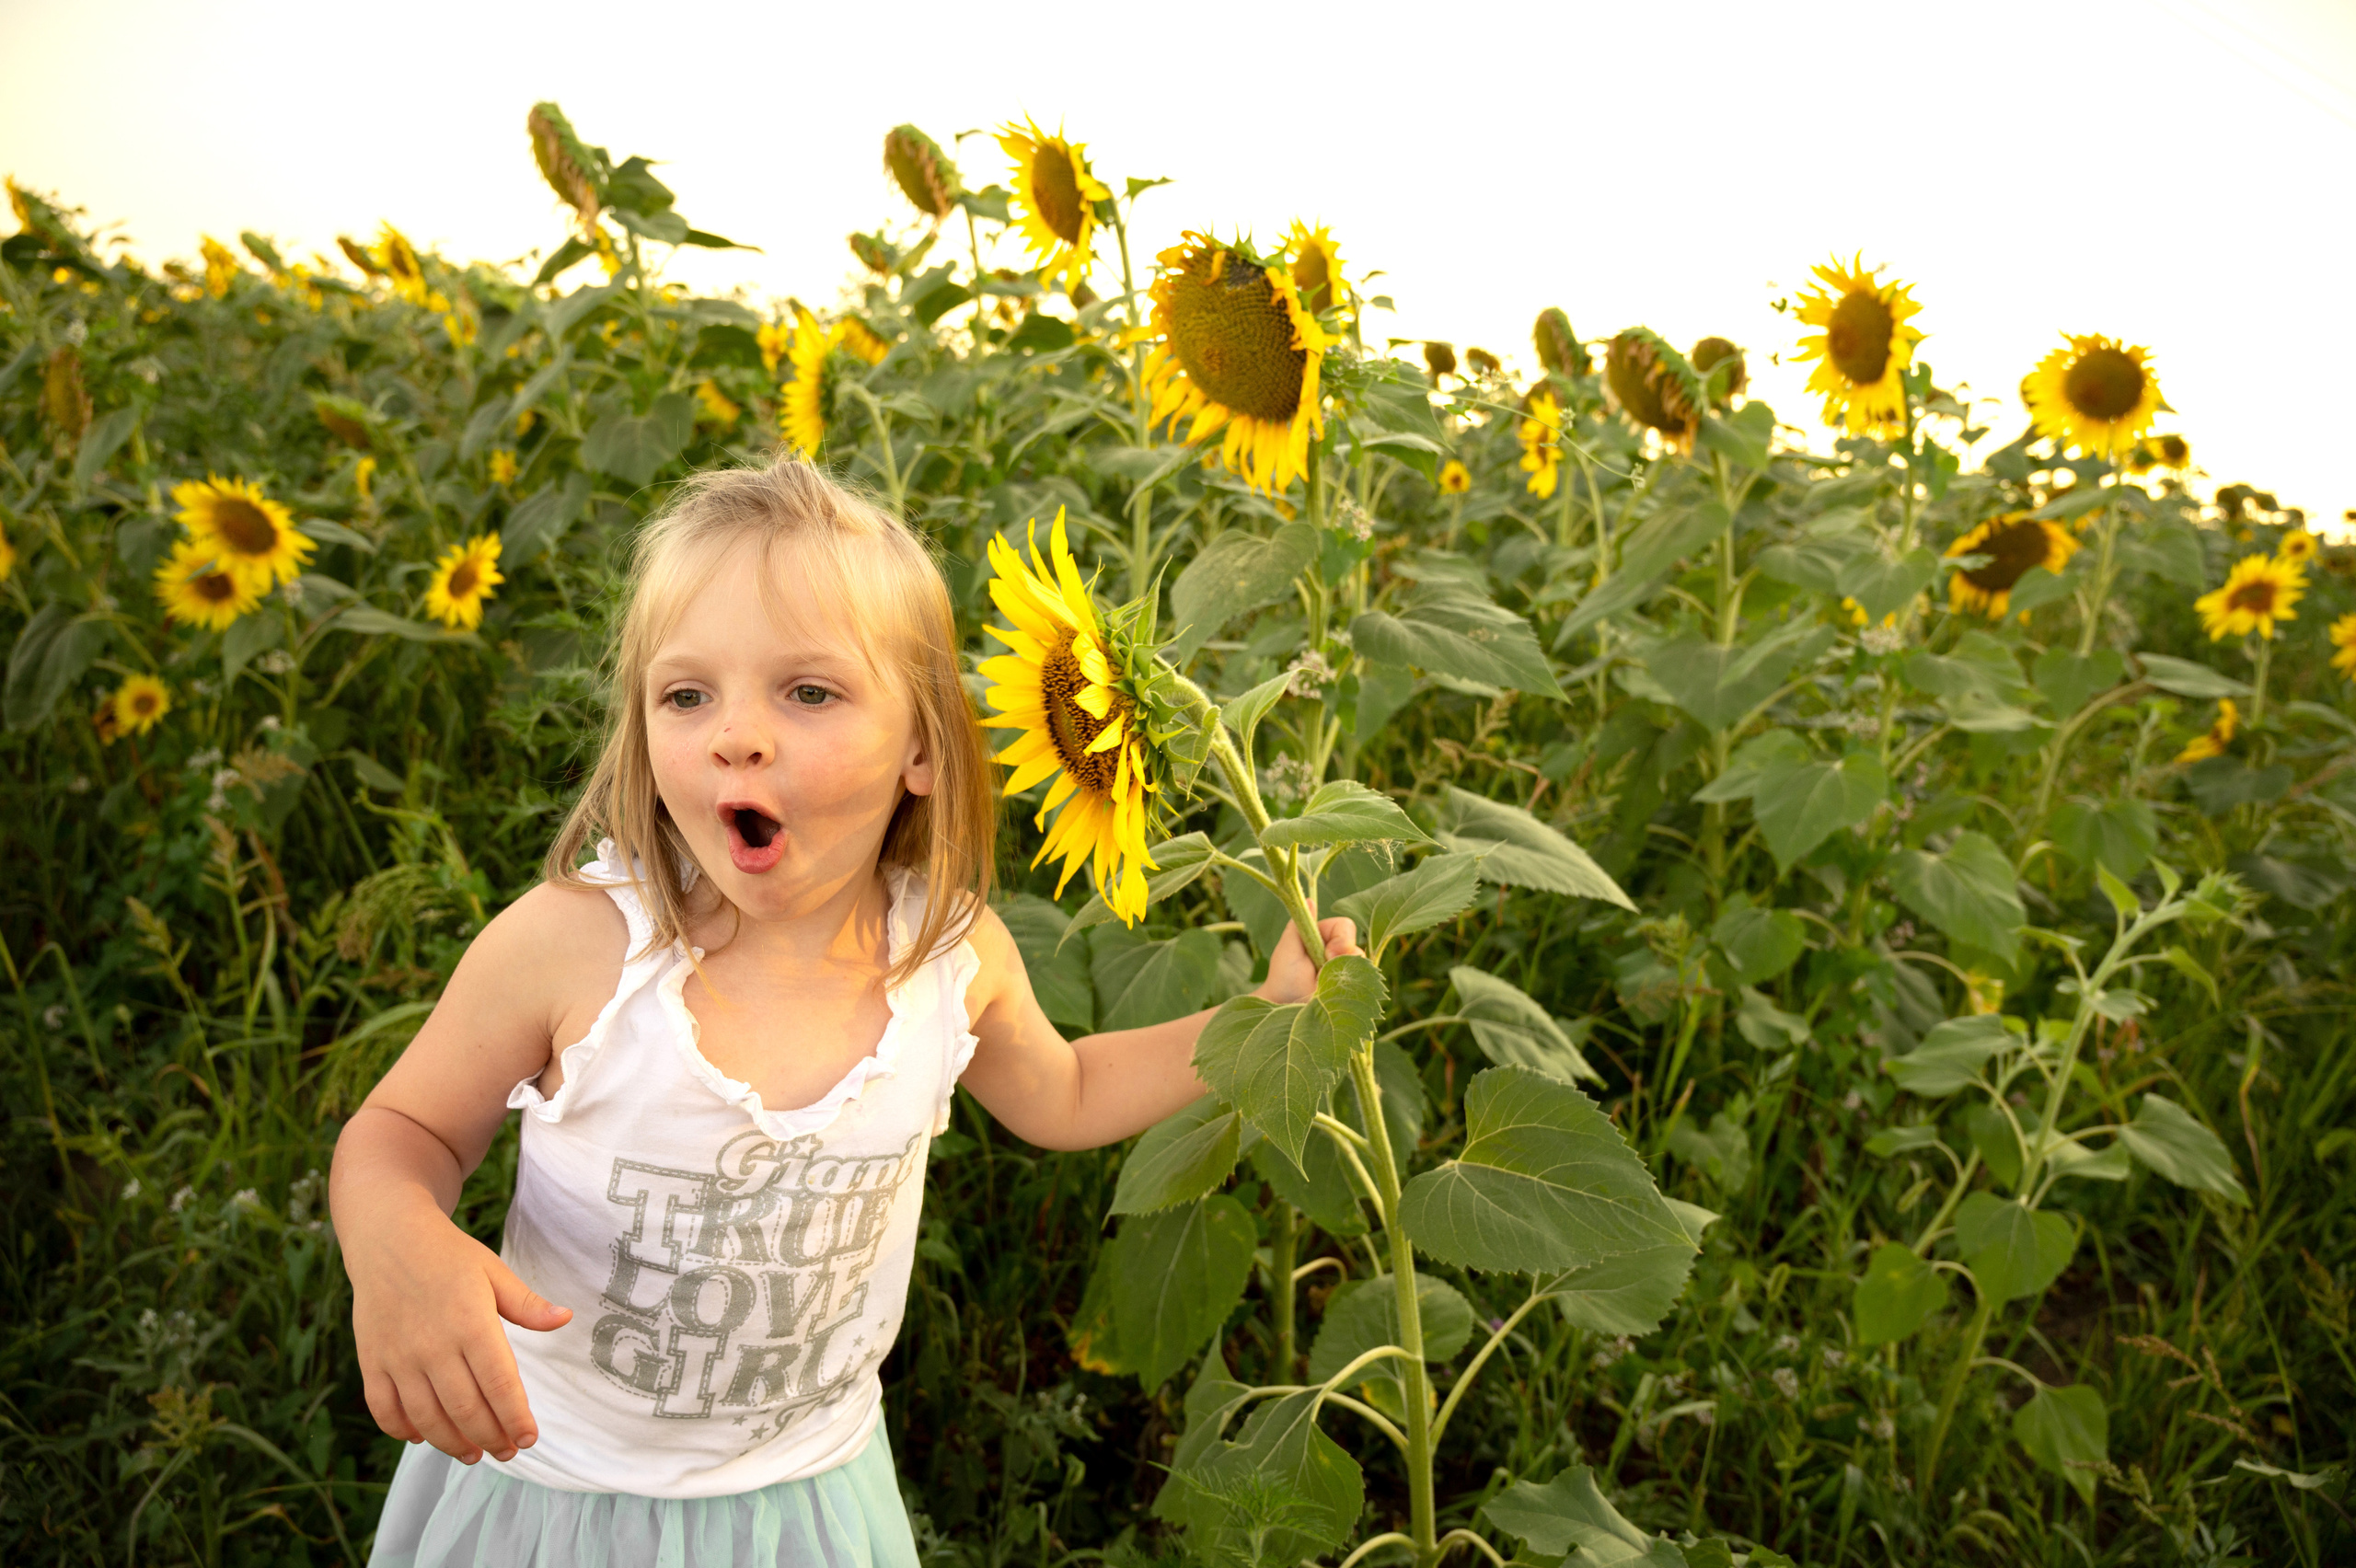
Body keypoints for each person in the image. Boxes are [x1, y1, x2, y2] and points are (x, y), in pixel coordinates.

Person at [331, 456, 1358, 1566]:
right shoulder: (577, 946)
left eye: (807, 692)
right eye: (687, 695)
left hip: (806, 1500)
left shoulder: (948, 957)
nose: (737, 736)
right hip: (558, 1493)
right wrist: (396, 1242)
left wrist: (1265, 1014)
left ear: (922, 747)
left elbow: (1065, 1092)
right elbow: (406, 1133)